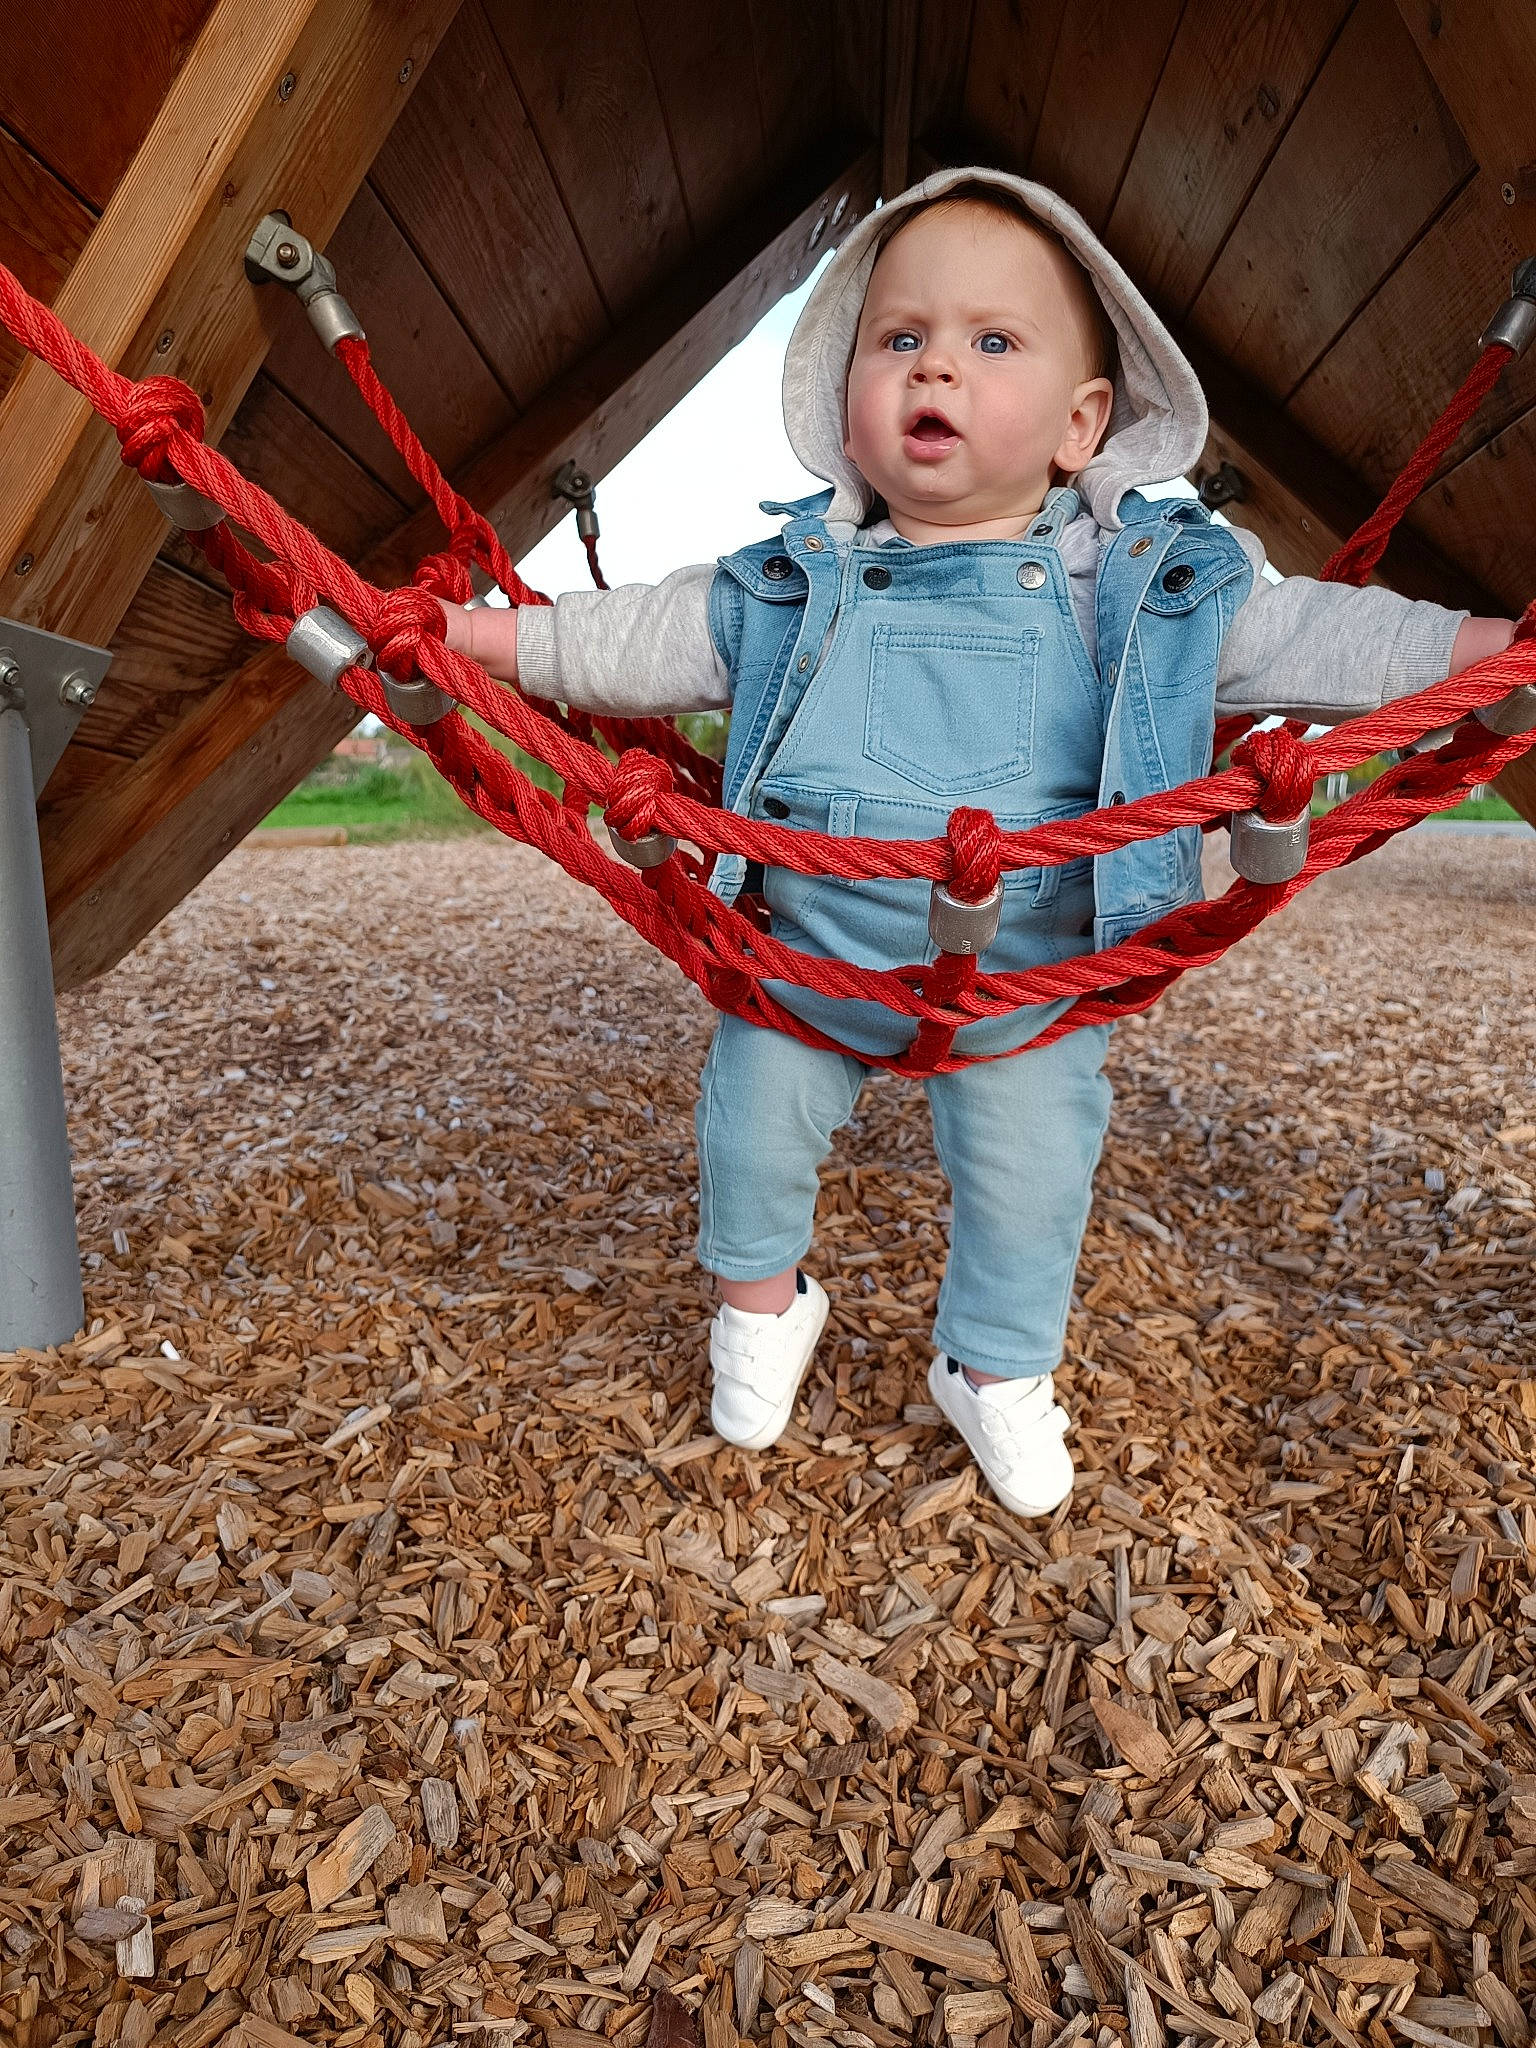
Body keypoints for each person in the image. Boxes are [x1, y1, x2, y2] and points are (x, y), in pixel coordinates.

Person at [437, 167, 1513, 1517]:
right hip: (804, 958)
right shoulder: (791, 581)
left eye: (990, 341)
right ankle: (765, 1304)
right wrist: (478, 637)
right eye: (901, 339)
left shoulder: (1143, 587)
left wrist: (1484, 652)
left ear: (1081, 426)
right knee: (746, 1135)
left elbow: (1327, 634)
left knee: (1033, 1178)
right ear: (850, 405)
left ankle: (996, 1370)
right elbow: (632, 635)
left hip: (1027, 982)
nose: (935, 361)